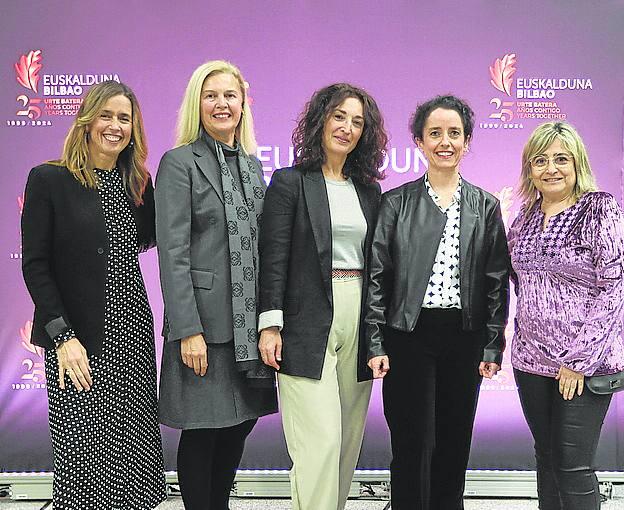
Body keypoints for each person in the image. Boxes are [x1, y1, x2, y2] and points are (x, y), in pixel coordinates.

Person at [21, 80, 166, 509]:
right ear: (86, 121)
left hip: (133, 335)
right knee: (84, 458)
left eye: (125, 119)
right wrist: (62, 337)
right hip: (77, 340)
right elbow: (35, 265)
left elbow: (162, 237)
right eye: (107, 116)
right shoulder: (49, 179)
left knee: (134, 456)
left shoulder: (138, 182)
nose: (115, 126)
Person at [365, 95, 510, 510]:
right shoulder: (396, 202)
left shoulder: (485, 206)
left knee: (453, 439)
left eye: (454, 133)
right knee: (411, 441)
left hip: (464, 338)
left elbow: (496, 281)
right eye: (435, 133)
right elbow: (379, 276)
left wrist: (491, 343)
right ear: (419, 142)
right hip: (407, 335)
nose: (445, 141)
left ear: (467, 142)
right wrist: (375, 342)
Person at [257, 83, 388, 510]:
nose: (347, 128)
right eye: (339, 117)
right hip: (304, 320)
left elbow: (380, 266)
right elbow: (273, 258)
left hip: (359, 315)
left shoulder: (369, 191)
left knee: (348, 442)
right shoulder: (290, 183)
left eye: (357, 122)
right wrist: (270, 324)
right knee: (321, 443)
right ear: (320, 120)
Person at [155, 60, 277, 510]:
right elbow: (174, 253)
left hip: (248, 326)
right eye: (211, 96)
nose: (221, 104)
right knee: (203, 429)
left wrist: (270, 318)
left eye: (230, 95)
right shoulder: (179, 163)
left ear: (243, 104)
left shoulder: (251, 165)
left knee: (240, 423)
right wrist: (188, 329)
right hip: (203, 327)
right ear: (197, 105)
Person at [508, 121, 624, 510]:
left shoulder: (599, 209)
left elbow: (613, 289)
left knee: (572, 467)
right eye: (540, 160)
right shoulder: (523, 218)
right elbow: (519, 281)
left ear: (577, 163)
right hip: (530, 364)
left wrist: (577, 362)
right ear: (530, 169)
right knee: (546, 460)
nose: (551, 169)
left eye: (561, 159)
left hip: (584, 368)